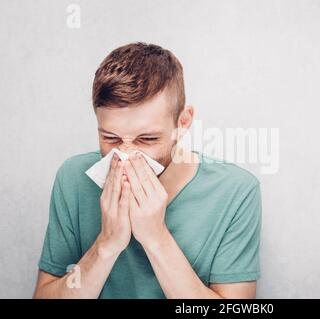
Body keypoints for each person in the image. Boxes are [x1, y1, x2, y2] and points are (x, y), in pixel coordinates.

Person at [33, 42, 262, 298]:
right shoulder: (73, 178)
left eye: (148, 139)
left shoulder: (236, 191)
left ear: (183, 122)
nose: (128, 155)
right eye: (111, 138)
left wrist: (156, 238)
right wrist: (106, 245)